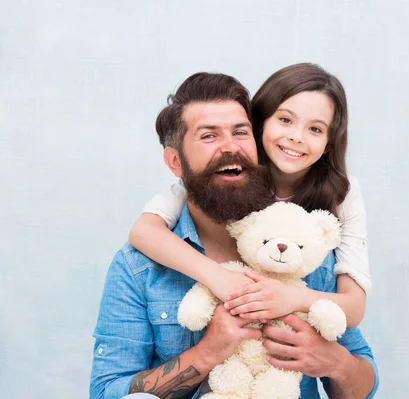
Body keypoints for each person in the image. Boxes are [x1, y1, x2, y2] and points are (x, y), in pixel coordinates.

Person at [90, 72, 379, 399]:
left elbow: (362, 382)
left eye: (240, 132)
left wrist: (334, 362)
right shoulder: (137, 268)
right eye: (208, 136)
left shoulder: (298, 252)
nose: (230, 146)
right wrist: (208, 351)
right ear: (175, 161)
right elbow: (107, 392)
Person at [129, 63, 370, 329]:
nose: (296, 137)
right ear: (260, 123)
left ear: (329, 143)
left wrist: (291, 298)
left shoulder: (342, 193)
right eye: (285, 120)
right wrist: (219, 278)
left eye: (315, 129)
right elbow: (145, 231)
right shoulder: (231, 177)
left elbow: (355, 307)